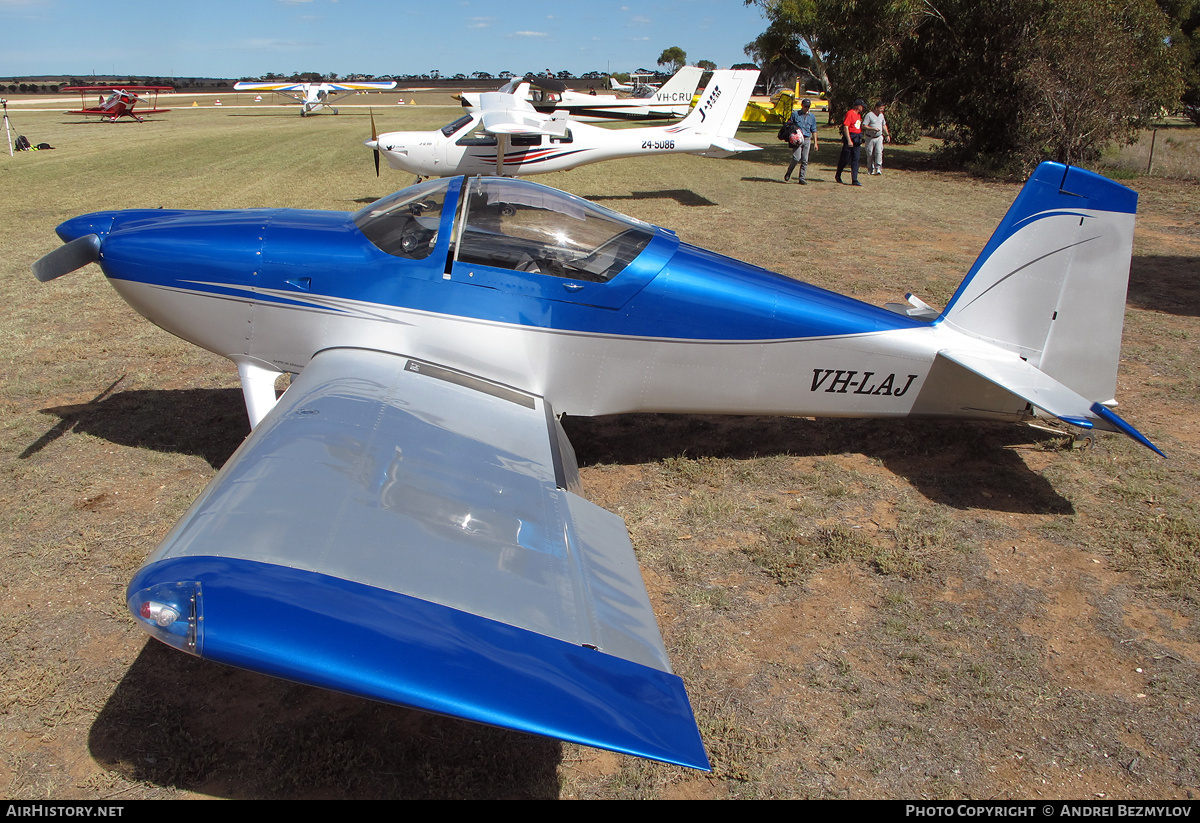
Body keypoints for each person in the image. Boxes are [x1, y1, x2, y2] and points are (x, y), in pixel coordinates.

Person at [783, 98, 819, 185]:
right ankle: (789, 172)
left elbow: (814, 130)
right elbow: (789, 125)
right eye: (805, 106)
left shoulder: (812, 117)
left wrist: (815, 143)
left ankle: (802, 178)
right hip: (797, 139)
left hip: (807, 138)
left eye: (808, 106)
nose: (807, 108)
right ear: (802, 105)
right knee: (796, 157)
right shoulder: (795, 114)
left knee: (805, 159)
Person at [836, 98, 866, 186]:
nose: (863, 108)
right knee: (845, 159)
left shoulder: (859, 115)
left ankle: (855, 179)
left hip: (857, 139)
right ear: (858, 106)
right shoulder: (850, 113)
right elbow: (846, 127)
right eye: (862, 106)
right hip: (850, 138)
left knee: (855, 159)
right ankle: (838, 174)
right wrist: (849, 140)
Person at [863, 101, 891, 175]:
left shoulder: (881, 115)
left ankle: (878, 168)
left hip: (879, 137)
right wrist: (873, 129)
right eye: (881, 108)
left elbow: (884, 125)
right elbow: (864, 126)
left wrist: (887, 134)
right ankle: (870, 169)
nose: (882, 110)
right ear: (876, 108)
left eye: (883, 108)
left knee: (879, 152)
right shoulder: (869, 115)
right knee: (870, 153)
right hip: (870, 138)